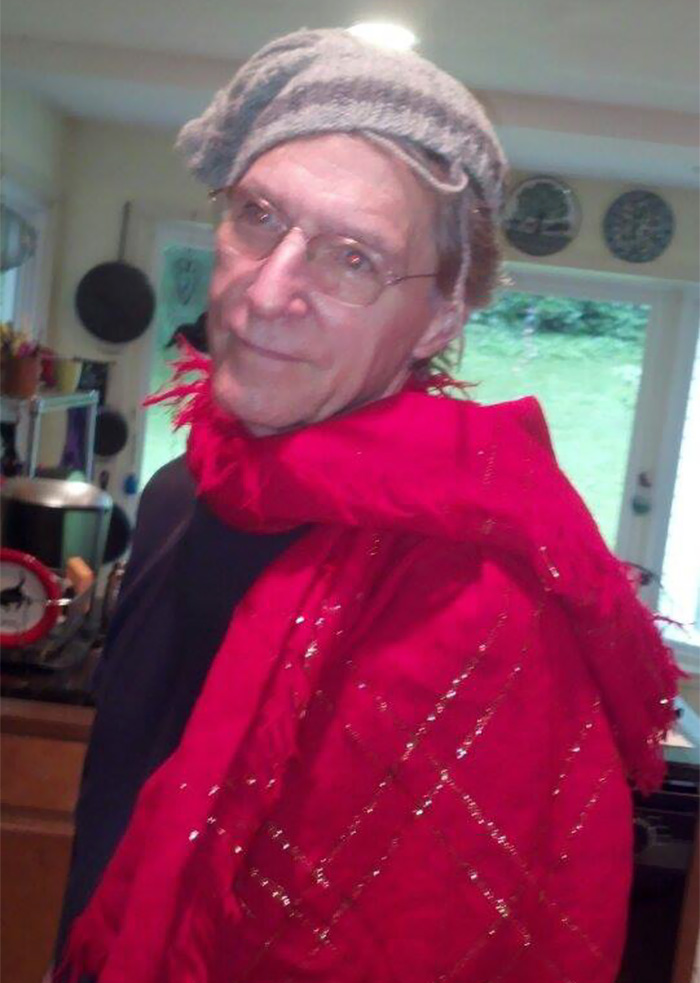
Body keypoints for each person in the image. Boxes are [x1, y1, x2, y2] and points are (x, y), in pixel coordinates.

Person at [55, 27, 680, 983]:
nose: (267, 291)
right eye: (258, 215)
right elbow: (115, 807)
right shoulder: (188, 490)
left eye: (353, 259)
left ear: (438, 318)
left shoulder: (482, 604)